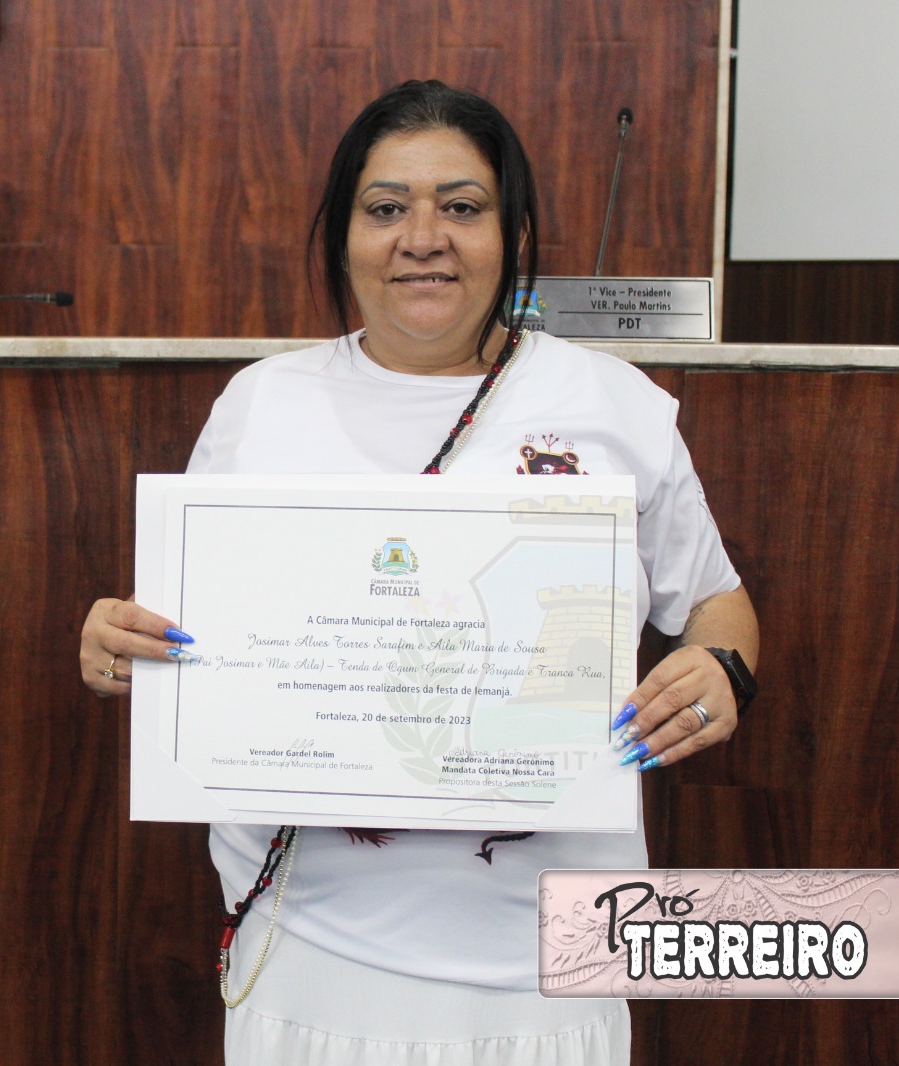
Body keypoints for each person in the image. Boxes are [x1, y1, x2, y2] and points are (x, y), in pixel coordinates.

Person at [80, 80, 759, 1065]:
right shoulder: (261, 406)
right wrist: (121, 644)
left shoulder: (614, 405)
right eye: (386, 207)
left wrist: (720, 671)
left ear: (513, 234)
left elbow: (717, 604)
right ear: (344, 236)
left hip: (548, 961)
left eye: (462, 206)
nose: (423, 237)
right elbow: (187, 635)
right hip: (307, 945)